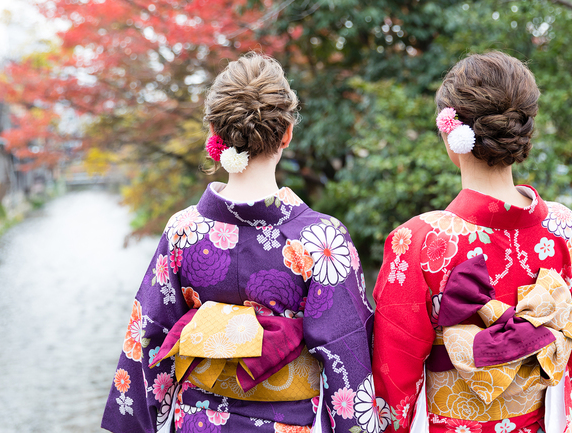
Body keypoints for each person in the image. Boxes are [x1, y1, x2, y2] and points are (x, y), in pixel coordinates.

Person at [102, 53, 378, 433]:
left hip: (198, 423)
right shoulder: (322, 239)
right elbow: (347, 353)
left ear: (215, 132)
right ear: (287, 133)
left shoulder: (183, 230)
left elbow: (147, 338)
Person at [372, 51, 572, 433]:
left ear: (452, 134)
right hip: (543, 422)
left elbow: (393, 371)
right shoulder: (564, 227)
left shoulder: (419, 239)